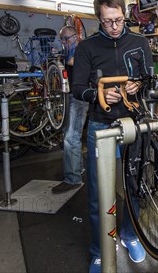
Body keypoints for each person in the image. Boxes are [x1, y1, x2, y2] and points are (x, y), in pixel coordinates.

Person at [71, 0, 152, 272]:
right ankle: (100, 248)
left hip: (134, 122)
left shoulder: (140, 43)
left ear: (125, 14)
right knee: (98, 192)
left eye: (118, 20)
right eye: (107, 22)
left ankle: (129, 235)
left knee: (134, 186)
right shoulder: (86, 47)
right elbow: (77, 88)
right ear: (99, 20)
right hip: (101, 125)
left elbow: (150, 79)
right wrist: (99, 94)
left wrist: (138, 86)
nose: (114, 27)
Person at [52, 25, 89, 194]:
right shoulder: (71, 48)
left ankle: (72, 179)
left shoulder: (80, 47)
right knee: (72, 135)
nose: (63, 43)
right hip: (73, 96)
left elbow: (74, 62)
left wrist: (63, 55)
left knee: (70, 137)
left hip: (79, 98)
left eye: (65, 39)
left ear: (74, 37)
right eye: (62, 40)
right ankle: (78, 168)